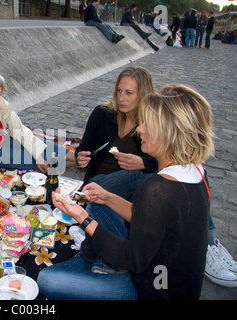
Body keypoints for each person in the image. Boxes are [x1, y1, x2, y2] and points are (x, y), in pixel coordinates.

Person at [38, 84, 215, 299]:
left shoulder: (159, 188)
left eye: (148, 124)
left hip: (153, 288)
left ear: (170, 132)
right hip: (167, 272)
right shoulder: (196, 171)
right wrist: (108, 197)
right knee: (98, 204)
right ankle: (97, 257)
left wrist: (82, 218)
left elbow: (131, 259)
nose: (140, 129)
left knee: (47, 280)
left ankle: (99, 263)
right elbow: (151, 221)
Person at [75, 66, 157, 190]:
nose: (121, 98)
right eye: (119, 91)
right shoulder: (102, 113)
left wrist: (143, 163)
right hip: (94, 186)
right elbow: (84, 148)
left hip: (129, 192)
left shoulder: (153, 123)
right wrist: (80, 156)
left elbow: (166, 162)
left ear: (143, 95)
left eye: (128, 93)